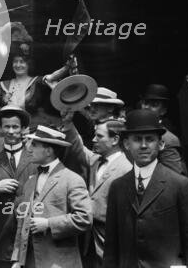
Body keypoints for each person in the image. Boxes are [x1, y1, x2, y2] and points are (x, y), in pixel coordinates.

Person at [102, 109, 188, 267]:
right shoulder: (118, 187)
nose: (144, 145)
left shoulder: (181, 185)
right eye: (137, 139)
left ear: (161, 144)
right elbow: (111, 248)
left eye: (150, 139)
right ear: (126, 144)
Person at [12, 125, 92, 268]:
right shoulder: (30, 182)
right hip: (30, 262)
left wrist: (49, 224)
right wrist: (18, 259)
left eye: (35, 145)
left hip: (60, 262)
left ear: (48, 151)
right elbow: (22, 222)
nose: (29, 149)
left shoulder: (72, 179)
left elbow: (84, 218)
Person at [61, 112, 132, 267]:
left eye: (99, 136)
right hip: (89, 240)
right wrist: (68, 123)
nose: (94, 140)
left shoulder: (126, 170)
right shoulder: (95, 161)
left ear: (115, 140)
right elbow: (78, 146)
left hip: (111, 241)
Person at [0, 106, 36, 268]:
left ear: (23, 129)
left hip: (31, 241)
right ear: (1, 129)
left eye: (15, 127)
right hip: (1, 243)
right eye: (6, 127)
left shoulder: (36, 160)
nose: (10, 131)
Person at [138, 83, 187, 175]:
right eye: (145, 103)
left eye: (154, 105)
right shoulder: (133, 133)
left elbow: (175, 177)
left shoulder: (167, 139)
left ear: (163, 110)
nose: (147, 107)